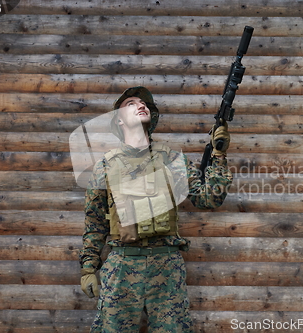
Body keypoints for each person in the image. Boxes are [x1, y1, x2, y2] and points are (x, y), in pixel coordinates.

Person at [79, 86, 232, 333]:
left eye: (144, 103)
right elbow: (95, 224)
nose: (141, 105)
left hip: (166, 267)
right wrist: (88, 268)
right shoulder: (105, 167)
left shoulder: (173, 160)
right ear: (119, 120)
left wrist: (218, 155)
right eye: (131, 103)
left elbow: (209, 199)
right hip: (121, 266)